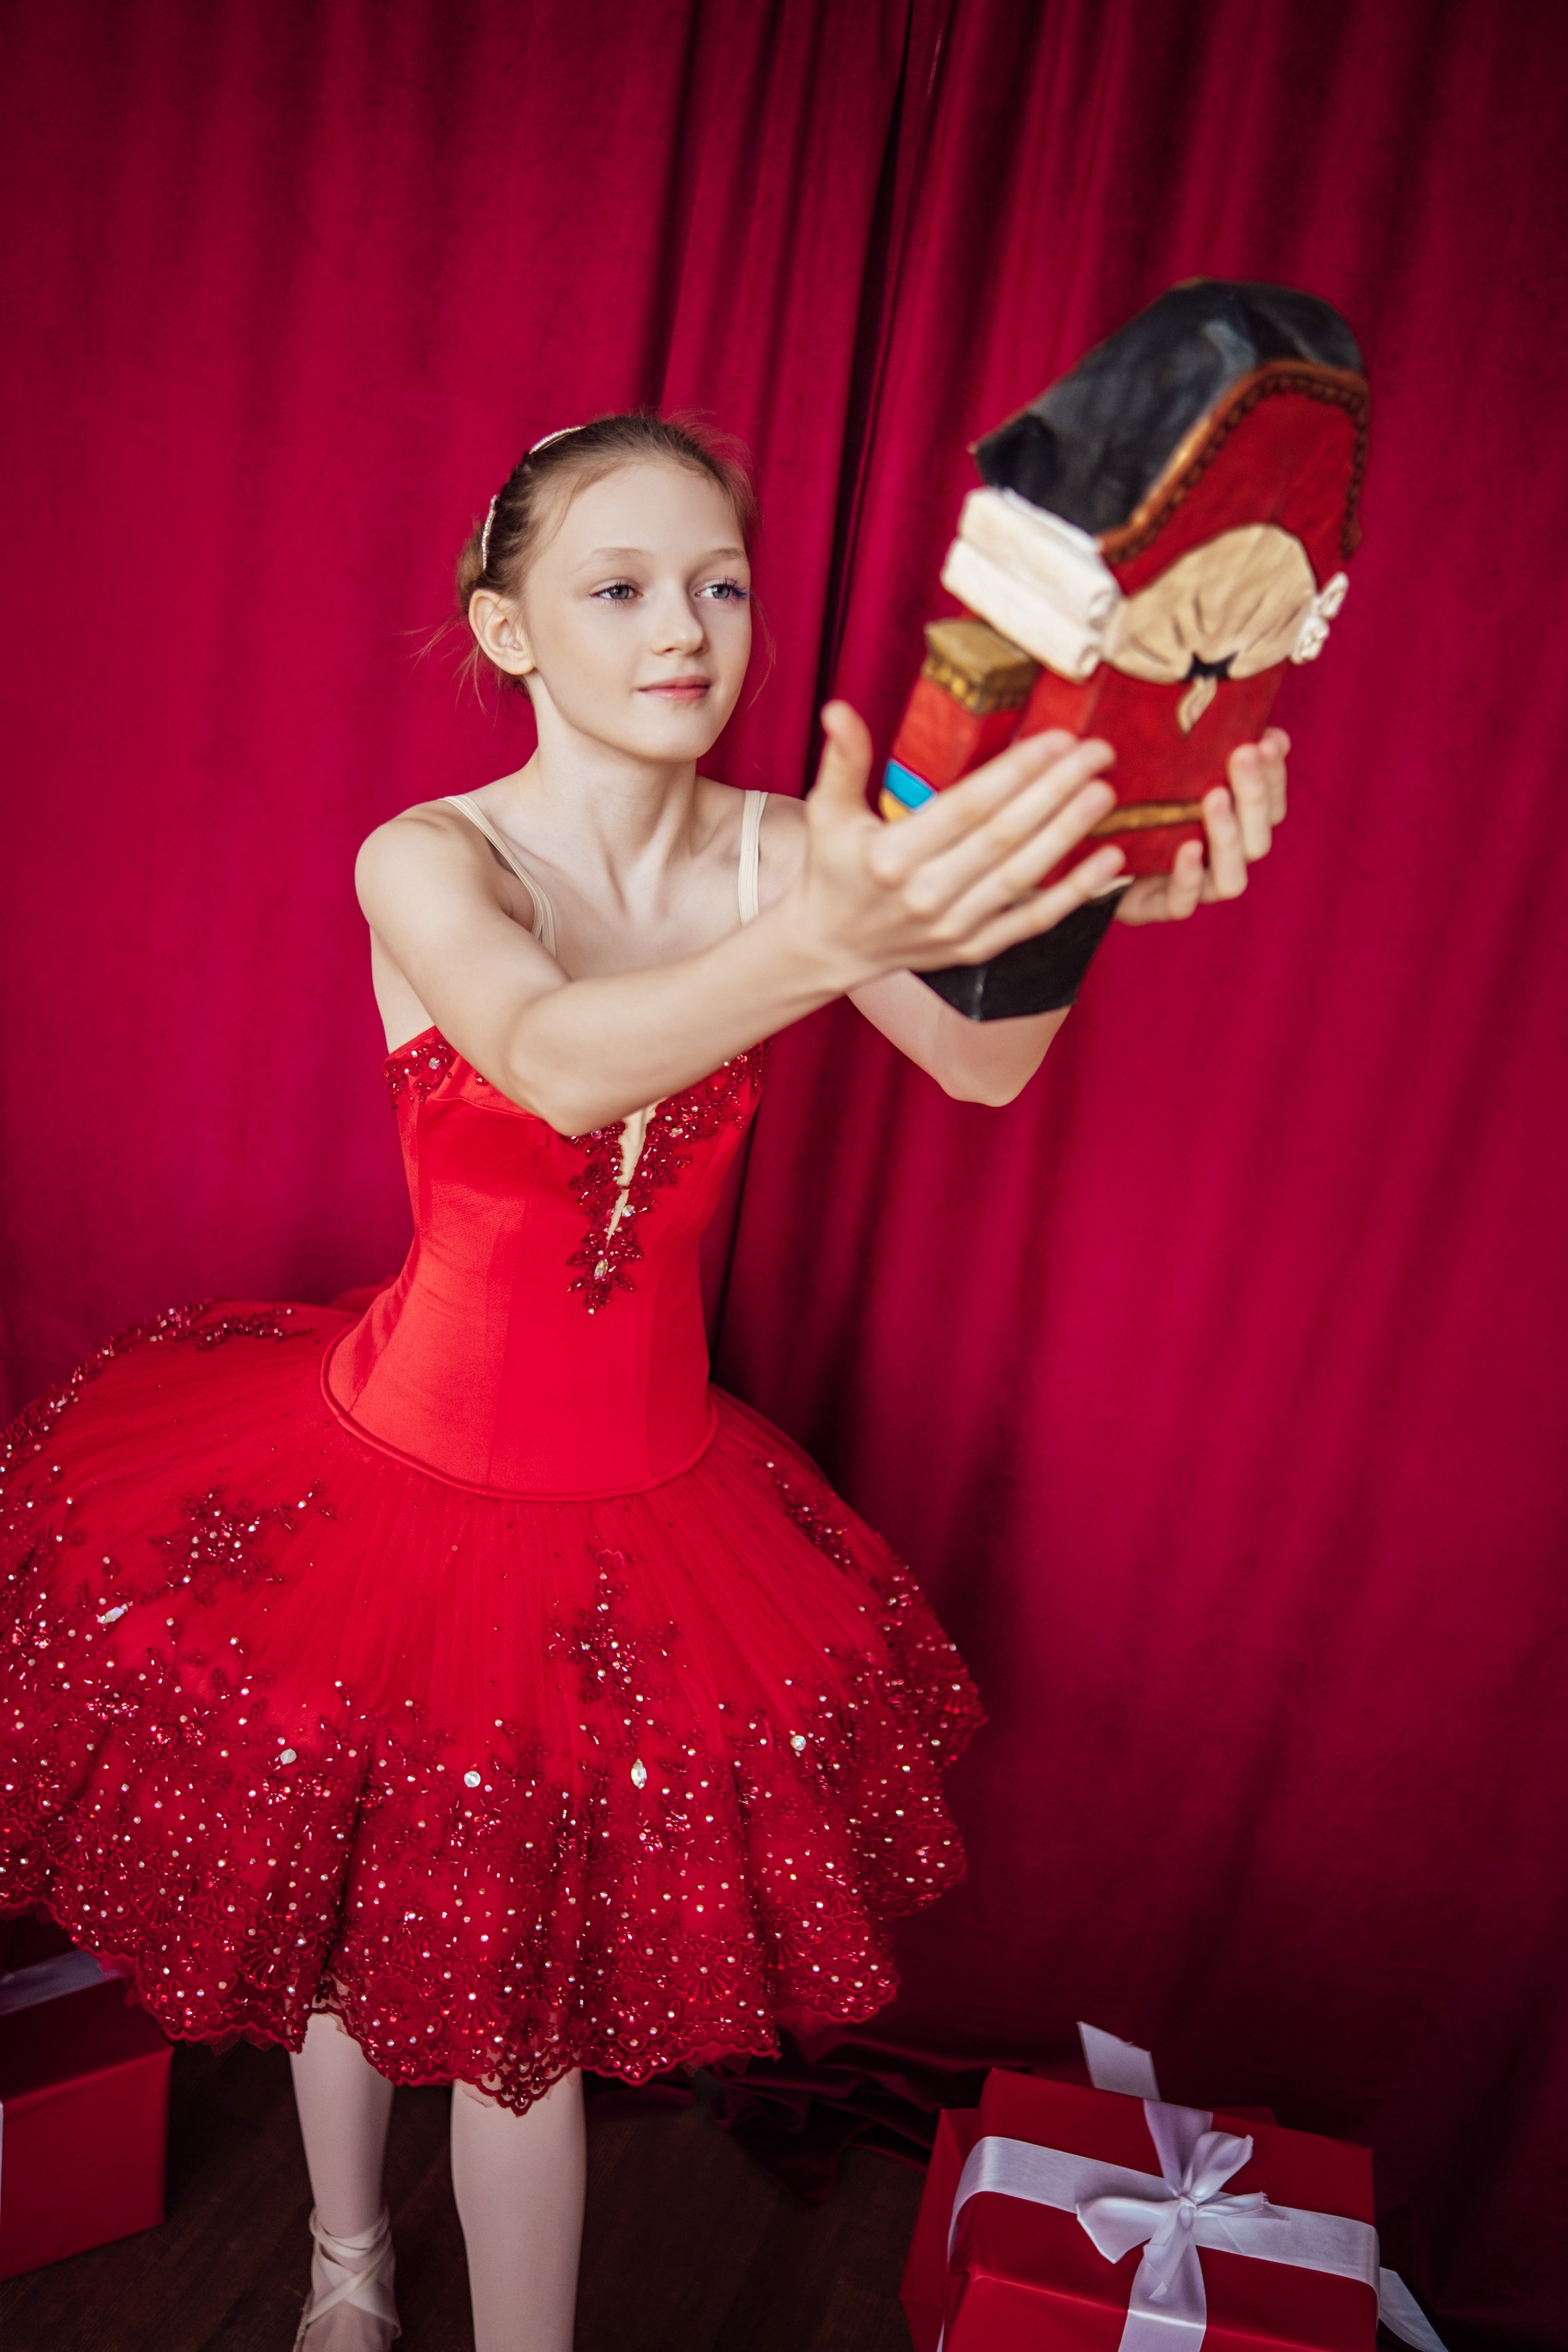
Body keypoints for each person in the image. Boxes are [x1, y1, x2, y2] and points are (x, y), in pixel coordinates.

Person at [0, 413, 1286, 2351]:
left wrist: (1099, 868)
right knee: (350, 1928)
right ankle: (346, 2272)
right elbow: (554, 1058)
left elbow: (984, 1062)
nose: (685, 629)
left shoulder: (787, 846)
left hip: (643, 1503)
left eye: (721, 585)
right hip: (392, 1480)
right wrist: (834, 930)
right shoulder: (430, 856)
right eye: (619, 589)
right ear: (506, 629)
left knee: (513, 2029)